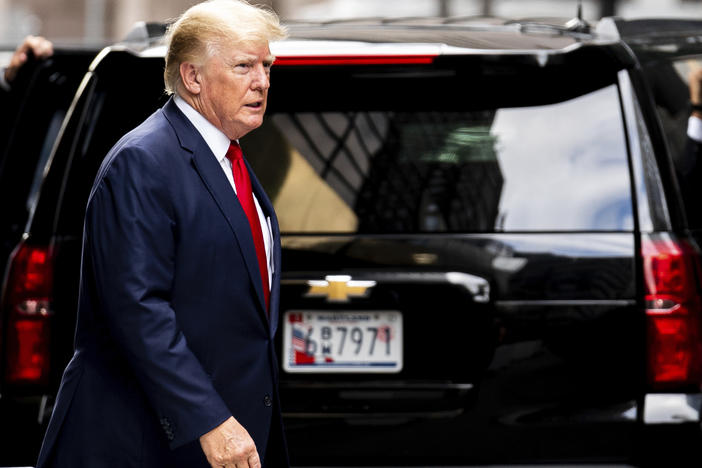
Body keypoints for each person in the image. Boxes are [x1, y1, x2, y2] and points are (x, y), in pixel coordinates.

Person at [35, 1, 288, 467]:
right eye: (244, 66)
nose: (262, 81)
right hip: (145, 442)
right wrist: (210, 421)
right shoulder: (144, 160)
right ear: (192, 77)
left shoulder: (228, 158)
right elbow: (138, 310)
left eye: (267, 66)